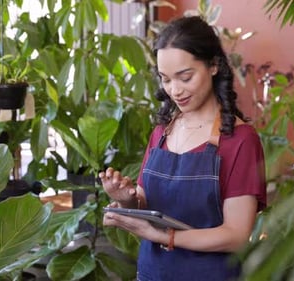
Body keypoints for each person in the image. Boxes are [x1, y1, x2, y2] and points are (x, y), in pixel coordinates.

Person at [100, 15, 266, 281]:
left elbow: (236, 236)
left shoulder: (240, 140)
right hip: (151, 273)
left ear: (213, 65)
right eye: (165, 80)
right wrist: (125, 199)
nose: (175, 91)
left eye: (185, 77)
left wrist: (166, 236)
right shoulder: (162, 132)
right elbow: (146, 201)